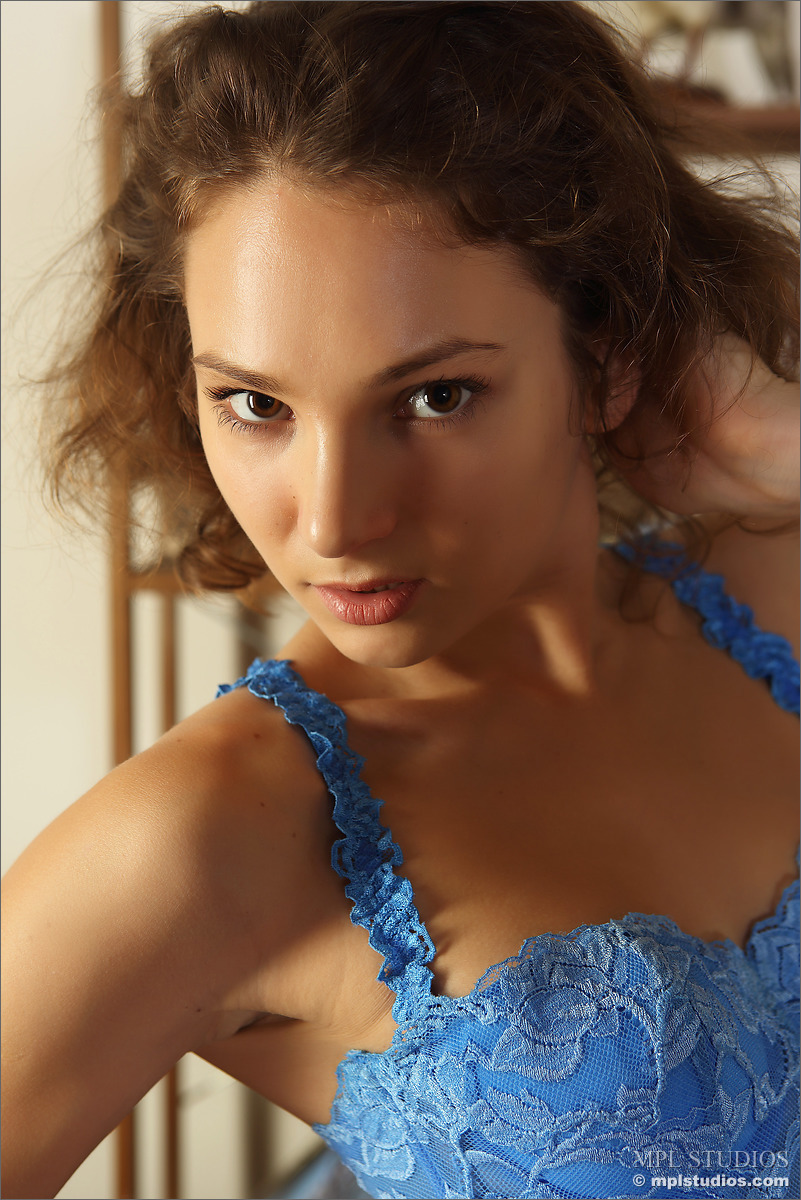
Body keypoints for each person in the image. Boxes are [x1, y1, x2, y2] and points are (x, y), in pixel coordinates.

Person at [2, 2, 799, 1198]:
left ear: (608, 355)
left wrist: (789, 448)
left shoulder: (772, 591)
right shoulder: (211, 836)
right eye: (257, 405)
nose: (333, 522)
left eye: (434, 397)